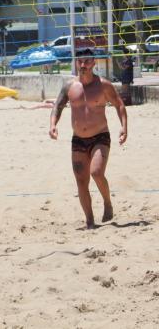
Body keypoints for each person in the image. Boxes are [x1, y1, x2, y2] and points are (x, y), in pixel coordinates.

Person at [49, 48, 128, 229]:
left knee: (96, 172)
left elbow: (119, 104)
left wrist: (124, 127)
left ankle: (107, 202)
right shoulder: (69, 86)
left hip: (100, 137)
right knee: (81, 181)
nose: (83, 65)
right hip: (78, 140)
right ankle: (90, 221)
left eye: (87, 62)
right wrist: (53, 124)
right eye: (80, 61)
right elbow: (58, 106)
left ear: (93, 63)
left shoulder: (103, 85)